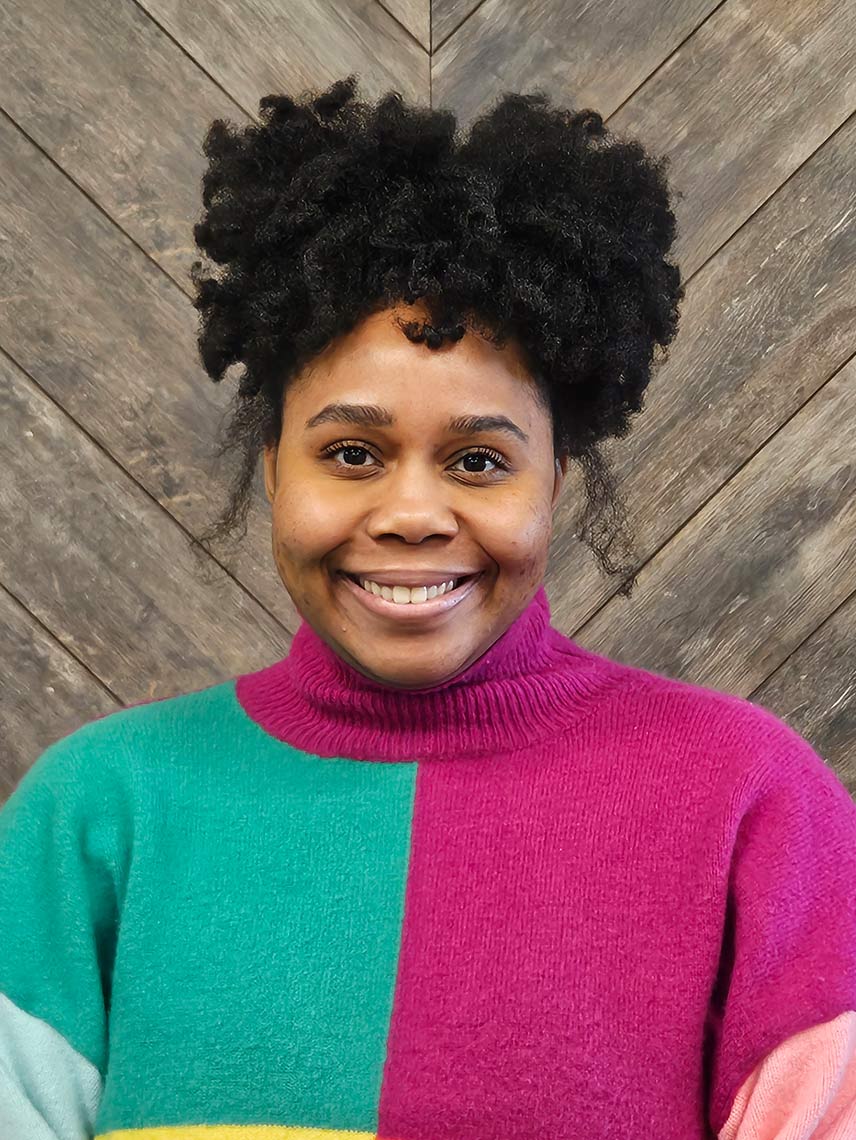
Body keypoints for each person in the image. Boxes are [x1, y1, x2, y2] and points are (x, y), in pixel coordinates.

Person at [1, 75, 854, 1140]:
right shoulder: (95, 812)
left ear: (554, 481)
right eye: (351, 454)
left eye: (478, 460)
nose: (411, 513)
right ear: (273, 469)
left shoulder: (755, 806)